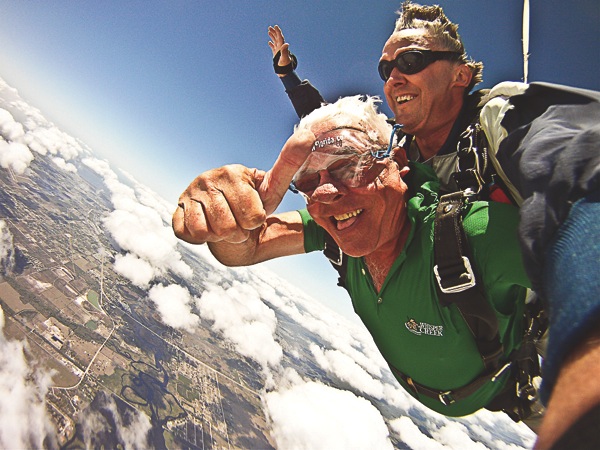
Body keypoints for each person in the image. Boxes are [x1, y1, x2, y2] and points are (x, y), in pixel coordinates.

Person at [267, 3, 600, 448]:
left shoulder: (501, 120)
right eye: (386, 68)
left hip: (545, 332)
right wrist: (290, 76)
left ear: (460, 74)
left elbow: (580, 172)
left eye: (411, 61)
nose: (392, 78)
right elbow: (339, 132)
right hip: (473, 340)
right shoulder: (399, 147)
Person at [173, 94, 543, 422]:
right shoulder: (333, 232)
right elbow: (246, 248)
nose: (326, 194)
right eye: (307, 183)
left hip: (512, 392)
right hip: (433, 386)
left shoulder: (474, 234)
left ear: (397, 161)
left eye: (350, 165)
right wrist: (231, 223)